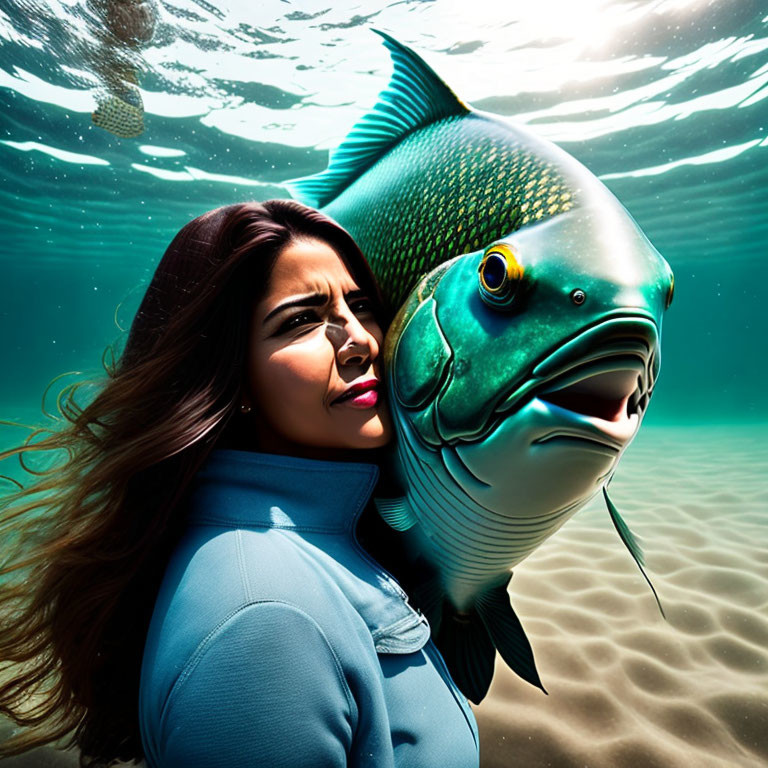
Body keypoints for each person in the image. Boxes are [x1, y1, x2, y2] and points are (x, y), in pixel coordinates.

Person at [0, 200, 479, 767]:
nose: (361, 340)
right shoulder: (264, 623)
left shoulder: (309, 546)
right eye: (301, 320)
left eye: (362, 305)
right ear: (233, 375)